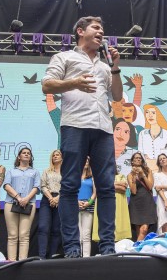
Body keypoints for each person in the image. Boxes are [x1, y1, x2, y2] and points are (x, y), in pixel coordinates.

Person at [42, 16, 122, 258]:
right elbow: (47, 85)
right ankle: (72, 249)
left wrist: (115, 66)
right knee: (69, 186)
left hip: (104, 130)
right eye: (96, 28)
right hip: (75, 126)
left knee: (107, 188)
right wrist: (74, 82)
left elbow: (117, 96)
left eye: (102, 29)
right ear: (80, 31)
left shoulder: (105, 65)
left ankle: (108, 248)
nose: (101, 32)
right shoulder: (64, 57)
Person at [4, 147, 40, 260]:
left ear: (31, 157)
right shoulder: (11, 171)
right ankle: (11, 261)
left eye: (28, 153)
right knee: (12, 235)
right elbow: (6, 185)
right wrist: (18, 198)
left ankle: (23, 262)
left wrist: (26, 199)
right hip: (11, 203)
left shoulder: (35, 172)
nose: (26, 154)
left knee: (24, 235)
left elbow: (36, 187)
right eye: (24, 153)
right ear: (19, 157)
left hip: (29, 204)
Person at [93, 165, 132, 244]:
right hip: (104, 203)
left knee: (118, 225)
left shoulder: (121, 176)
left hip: (119, 204)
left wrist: (108, 185)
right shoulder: (100, 176)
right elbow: (99, 187)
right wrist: (117, 185)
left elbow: (123, 188)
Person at [138, 104, 167, 173]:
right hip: (148, 174)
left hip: (166, 173)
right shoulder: (142, 134)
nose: (150, 115)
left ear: (158, 115)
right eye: (147, 112)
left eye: (153, 113)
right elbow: (140, 154)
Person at [37, 149, 63, 259]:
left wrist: (57, 198)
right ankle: (42, 256)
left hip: (61, 199)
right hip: (47, 199)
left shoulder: (66, 172)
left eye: (58, 155)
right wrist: (51, 198)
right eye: (53, 155)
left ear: (62, 157)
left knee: (56, 229)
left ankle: (52, 255)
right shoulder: (47, 171)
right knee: (43, 227)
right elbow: (43, 186)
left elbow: (68, 186)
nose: (55, 156)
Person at [127, 152, 157, 241]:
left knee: (144, 230)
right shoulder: (130, 175)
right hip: (136, 204)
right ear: (132, 161)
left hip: (147, 202)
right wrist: (134, 177)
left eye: (140, 158)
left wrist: (142, 174)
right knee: (138, 231)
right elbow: (133, 191)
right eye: (135, 158)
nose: (138, 159)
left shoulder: (148, 171)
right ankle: (141, 251)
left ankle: (135, 251)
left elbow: (150, 186)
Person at [78, 158, 97, 257]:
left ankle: (86, 258)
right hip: (76, 206)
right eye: (84, 160)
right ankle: (78, 256)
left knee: (86, 234)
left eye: (87, 161)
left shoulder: (92, 178)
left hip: (88, 207)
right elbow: (72, 191)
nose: (85, 162)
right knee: (78, 234)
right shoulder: (75, 176)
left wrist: (89, 203)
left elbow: (94, 193)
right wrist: (77, 202)